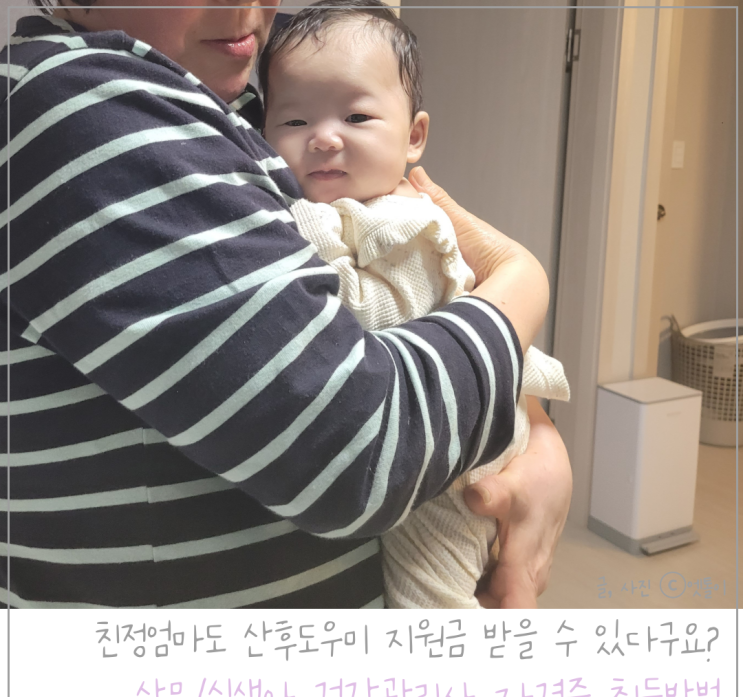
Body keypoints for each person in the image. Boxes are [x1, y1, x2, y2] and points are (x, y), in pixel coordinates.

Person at [0, 0, 571, 609]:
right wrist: (524, 278)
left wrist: (540, 444)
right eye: (297, 123)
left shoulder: (255, 75)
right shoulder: (84, 106)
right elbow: (359, 454)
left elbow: (442, 295)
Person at [258, 0, 570, 608]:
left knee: (429, 596)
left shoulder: (404, 222)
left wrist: (308, 236)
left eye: (356, 116)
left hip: (455, 462)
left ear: (414, 136)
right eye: (293, 121)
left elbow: (368, 319)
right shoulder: (357, 212)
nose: (323, 137)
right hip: (448, 429)